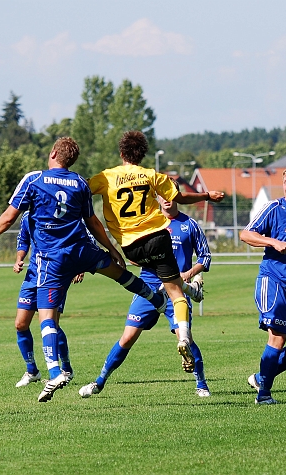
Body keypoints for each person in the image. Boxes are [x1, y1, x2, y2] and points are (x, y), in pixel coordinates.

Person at [0, 137, 170, 403]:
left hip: (53, 259)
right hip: (83, 251)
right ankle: (157, 299)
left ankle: (55, 371)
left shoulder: (34, 180)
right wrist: (113, 250)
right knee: (122, 276)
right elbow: (92, 221)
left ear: (53, 153)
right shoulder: (80, 183)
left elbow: (10, 216)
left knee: (47, 318)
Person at [88, 130, 223, 372]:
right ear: (143, 155)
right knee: (176, 293)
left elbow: (81, 190)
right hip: (157, 238)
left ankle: (165, 297)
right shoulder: (151, 175)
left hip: (130, 248)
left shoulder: (106, 177)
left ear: (121, 154)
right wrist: (206, 195)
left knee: (128, 275)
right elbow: (179, 197)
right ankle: (183, 334)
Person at [79, 185, 212, 399]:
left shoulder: (190, 225)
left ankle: (201, 384)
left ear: (177, 196)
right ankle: (99, 381)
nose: (167, 198)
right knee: (128, 337)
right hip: (148, 287)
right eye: (163, 194)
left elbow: (205, 257)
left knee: (184, 338)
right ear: (157, 197)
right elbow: (134, 253)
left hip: (176, 289)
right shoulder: (149, 223)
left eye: (171, 194)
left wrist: (189, 272)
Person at [240, 166, 286, 405]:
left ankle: (261, 377)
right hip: (272, 282)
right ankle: (264, 395)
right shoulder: (274, 208)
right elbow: (246, 234)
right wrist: (272, 242)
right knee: (278, 338)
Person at [12, 210, 80, 387]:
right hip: (33, 274)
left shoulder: (63, 213)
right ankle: (32, 371)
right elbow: (23, 240)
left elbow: (80, 238)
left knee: (52, 325)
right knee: (20, 324)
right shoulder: (28, 216)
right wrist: (19, 259)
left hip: (55, 275)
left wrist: (79, 266)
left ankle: (66, 369)